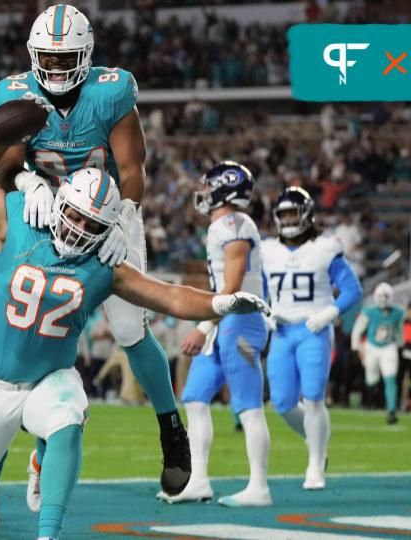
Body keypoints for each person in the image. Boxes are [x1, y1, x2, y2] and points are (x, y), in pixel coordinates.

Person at [0, 132, 268, 540]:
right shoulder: (16, 216)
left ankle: (48, 535)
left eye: (93, 224)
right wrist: (15, 165)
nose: (79, 228)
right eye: (74, 215)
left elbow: (170, 297)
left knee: (69, 413)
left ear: (109, 229)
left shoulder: (105, 263)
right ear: (59, 204)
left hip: (50, 378)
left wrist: (221, 304)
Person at [0, 4, 193, 519]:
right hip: (46, 211)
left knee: (131, 327)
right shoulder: (15, 93)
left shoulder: (111, 92)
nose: (59, 69)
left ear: (87, 57)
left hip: (108, 214)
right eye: (49, 57)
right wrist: (26, 182)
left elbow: (132, 170)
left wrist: (125, 218)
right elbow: (2, 167)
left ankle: (170, 425)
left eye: (67, 58)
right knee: (15, 329)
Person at [160, 161, 272, 508]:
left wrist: (204, 324)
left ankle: (259, 486)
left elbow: (233, 287)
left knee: (249, 406)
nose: (204, 192)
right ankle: (198, 480)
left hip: (241, 319)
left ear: (226, 188)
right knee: (194, 397)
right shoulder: (222, 225)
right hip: (225, 320)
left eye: (210, 186)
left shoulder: (236, 224)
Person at [261, 187, 362, 491]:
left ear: (306, 214)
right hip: (280, 331)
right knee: (281, 403)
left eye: (293, 212)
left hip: (313, 329)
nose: (289, 219)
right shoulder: (267, 250)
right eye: (284, 214)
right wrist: (265, 312)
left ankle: (316, 463)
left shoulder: (324, 247)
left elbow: (353, 290)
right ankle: (315, 438)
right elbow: (264, 290)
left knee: (314, 398)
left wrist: (327, 314)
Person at [351, 283, 406, 424]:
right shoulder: (369, 311)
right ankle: (372, 400)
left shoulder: (398, 312)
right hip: (372, 347)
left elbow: (400, 332)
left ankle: (391, 410)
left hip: (389, 346)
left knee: (390, 378)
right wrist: (357, 347)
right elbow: (357, 330)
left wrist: (400, 345)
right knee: (371, 379)